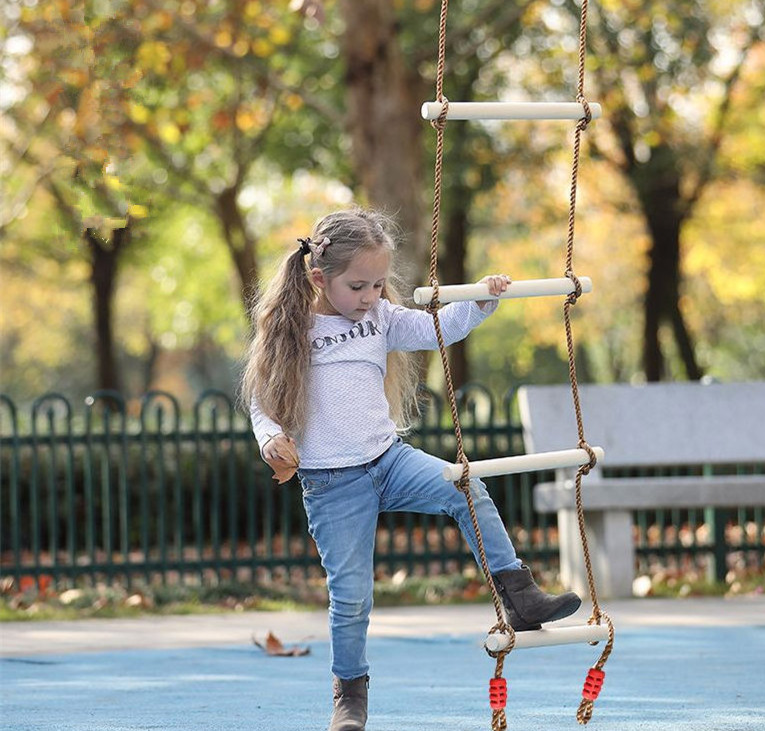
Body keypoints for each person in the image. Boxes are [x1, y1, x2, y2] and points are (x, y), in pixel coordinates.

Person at [240, 208, 581, 731]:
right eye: (358, 285)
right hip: (332, 483)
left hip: (388, 460)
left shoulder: (380, 317)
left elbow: (437, 328)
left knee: (466, 486)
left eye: (378, 283)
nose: (371, 296)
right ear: (317, 277)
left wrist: (480, 300)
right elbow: (262, 399)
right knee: (352, 596)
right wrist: (270, 439)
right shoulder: (294, 328)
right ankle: (350, 693)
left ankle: (520, 595)